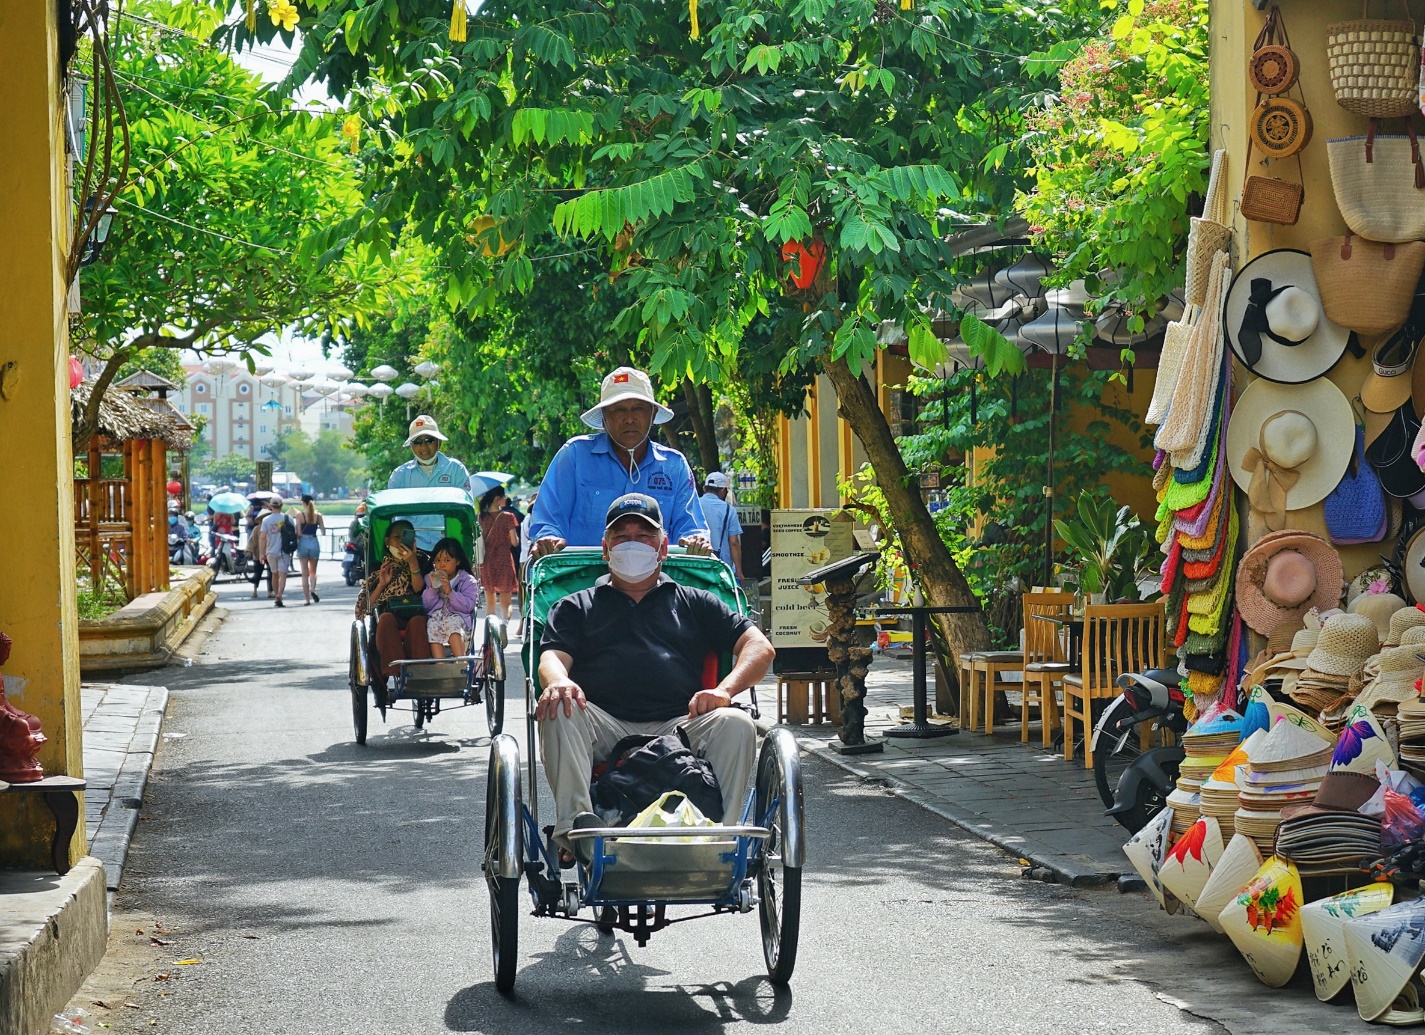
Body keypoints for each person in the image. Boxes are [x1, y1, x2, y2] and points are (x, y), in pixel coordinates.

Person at [536, 493, 775, 855]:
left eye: (645, 536)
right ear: (605, 548)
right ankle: (577, 832)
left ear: (663, 548)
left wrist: (724, 692)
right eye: (621, 536)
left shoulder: (696, 601)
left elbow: (760, 647)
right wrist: (558, 681)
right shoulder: (575, 606)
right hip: (603, 725)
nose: (633, 543)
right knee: (559, 705)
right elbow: (551, 656)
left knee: (737, 723)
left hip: (680, 725)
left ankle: (720, 843)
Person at [528, 367, 711, 557]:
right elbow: (548, 520)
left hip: (658, 581)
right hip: (580, 579)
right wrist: (548, 538)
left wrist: (696, 540)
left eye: (638, 408)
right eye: (619, 410)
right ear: (604, 418)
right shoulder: (574, 456)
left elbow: (691, 527)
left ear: (653, 414)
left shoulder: (674, 465)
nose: (629, 418)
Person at [355, 519, 430, 687]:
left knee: (418, 621)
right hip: (388, 614)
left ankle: (420, 671)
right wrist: (382, 583)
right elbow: (366, 607)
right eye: (397, 537)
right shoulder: (378, 566)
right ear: (387, 541)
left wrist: (412, 563)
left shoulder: (424, 561)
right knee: (387, 618)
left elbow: (420, 590)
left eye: (406, 537)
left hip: (417, 611)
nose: (401, 541)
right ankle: (394, 669)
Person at [387, 414, 472, 553]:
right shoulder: (399, 475)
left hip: (449, 546)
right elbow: (393, 517)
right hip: (412, 548)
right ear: (411, 446)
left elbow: (466, 508)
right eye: (418, 442)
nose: (424, 446)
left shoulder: (456, 469)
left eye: (429, 440)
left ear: (439, 442)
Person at [423, 537, 479, 658]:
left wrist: (450, 592)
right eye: (437, 560)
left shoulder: (467, 580)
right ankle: (440, 663)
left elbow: (468, 606)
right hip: (437, 617)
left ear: (457, 561)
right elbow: (426, 606)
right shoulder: (430, 578)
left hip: (459, 619)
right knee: (431, 625)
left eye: (447, 560)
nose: (441, 564)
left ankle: (461, 662)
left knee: (452, 623)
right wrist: (433, 589)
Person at [477, 486, 520, 622]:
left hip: (487, 561)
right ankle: (504, 625)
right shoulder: (508, 517)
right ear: (497, 499)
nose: (505, 498)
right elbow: (514, 542)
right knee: (506, 604)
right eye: (503, 496)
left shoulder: (480, 517)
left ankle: (490, 632)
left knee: (490, 602)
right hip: (504, 560)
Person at [699, 472, 744, 580]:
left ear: (704, 488)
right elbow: (734, 542)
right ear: (722, 490)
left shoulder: (693, 505)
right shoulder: (729, 510)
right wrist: (739, 571)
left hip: (697, 564)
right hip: (721, 568)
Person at [257, 498, 295, 607]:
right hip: (284, 551)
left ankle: (275, 594)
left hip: (270, 551)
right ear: (281, 505)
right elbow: (294, 534)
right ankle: (280, 595)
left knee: (274, 574)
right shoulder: (288, 518)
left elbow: (262, 537)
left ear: (270, 506)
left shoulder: (266, 520)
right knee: (282, 575)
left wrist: (261, 553)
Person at [295, 494, 326, 605]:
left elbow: (298, 533)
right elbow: (323, 532)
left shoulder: (299, 515)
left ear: (303, 502)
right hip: (314, 541)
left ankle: (307, 600)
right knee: (313, 571)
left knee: (304, 573)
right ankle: (313, 589)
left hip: (303, 542)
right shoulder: (318, 515)